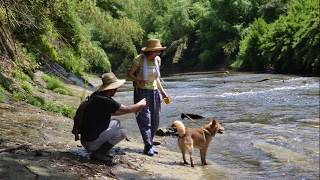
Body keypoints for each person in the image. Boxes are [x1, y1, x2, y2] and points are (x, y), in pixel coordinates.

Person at [80, 72, 146, 161]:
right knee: (122, 132)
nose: (116, 90)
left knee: (116, 122)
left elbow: (115, 112)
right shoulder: (105, 100)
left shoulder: (96, 95)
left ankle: (100, 149)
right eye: (116, 88)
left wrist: (134, 108)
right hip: (91, 143)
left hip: (85, 139)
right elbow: (127, 109)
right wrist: (141, 103)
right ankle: (99, 153)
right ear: (111, 88)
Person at [127, 39, 169, 156]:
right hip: (141, 91)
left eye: (158, 52)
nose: (156, 54)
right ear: (148, 52)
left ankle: (150, 142)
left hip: (155, 93)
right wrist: (139, 79)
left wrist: (163, 93)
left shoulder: (158, 60)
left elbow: (156, 79)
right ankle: (148, 145)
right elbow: (129, 75)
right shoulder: (138, 59)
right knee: (145, 119)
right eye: (154, 52)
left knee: (155, 119)